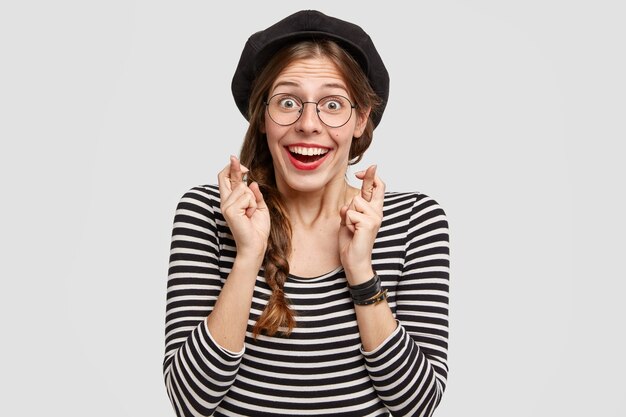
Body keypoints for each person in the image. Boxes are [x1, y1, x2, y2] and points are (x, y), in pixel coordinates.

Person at [163, 10, 450, 417]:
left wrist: (361, 271)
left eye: (333, 104)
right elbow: (190, 402)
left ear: (361, 119)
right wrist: (247, 257)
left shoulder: (414, 221)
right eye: (287, 102)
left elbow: (416, 405)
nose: (309, 125)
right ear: (263, 116)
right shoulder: (208, 214)